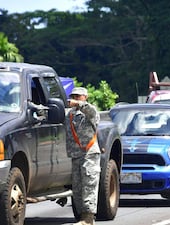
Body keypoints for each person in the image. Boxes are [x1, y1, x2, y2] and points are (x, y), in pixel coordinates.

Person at [67, 87, 101, 225]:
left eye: (78, 96)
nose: (75, 98)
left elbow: (90, 110)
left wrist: (79, 104)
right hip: (76, 155)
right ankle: (82, 216)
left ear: (85, 97)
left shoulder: (90, 112)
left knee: (89, 185)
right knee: (77, 187)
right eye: (73, 96)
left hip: (89, 154)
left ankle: (89, 218)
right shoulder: (69, 114)